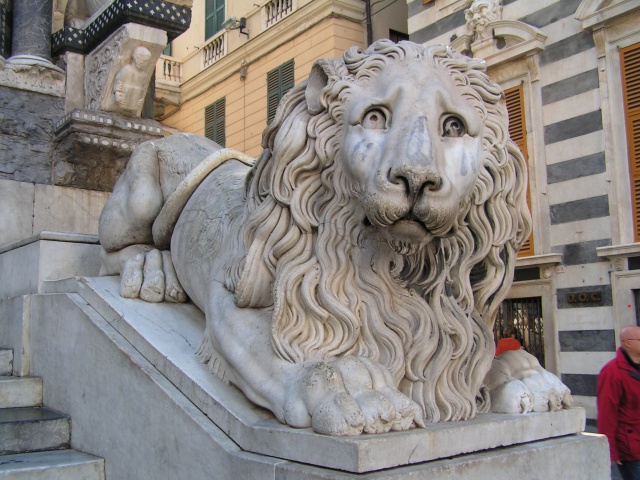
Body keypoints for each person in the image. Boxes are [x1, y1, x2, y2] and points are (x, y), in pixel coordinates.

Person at [597, 325, 640, 480]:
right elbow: (607, 414)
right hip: (631, 449)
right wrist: (610, 451)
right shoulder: (612, 372)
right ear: (627, 343)